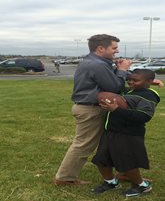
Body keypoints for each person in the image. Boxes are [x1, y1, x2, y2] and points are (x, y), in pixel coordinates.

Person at [54, 34, 132, 185]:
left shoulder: (97, 62)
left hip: (94, 108)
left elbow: (111, 79)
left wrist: (125, 72)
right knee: (83, 144)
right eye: (114, 48)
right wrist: (122, 70)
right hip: (91, 110)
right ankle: (65, 178)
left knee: (112, 142)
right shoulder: (97, 65)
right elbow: (114, 86)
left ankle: (124, 172)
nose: (117, 51)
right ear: (101, 48)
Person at [91, 69, 160, 197]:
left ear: (149, 81)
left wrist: (116, 110)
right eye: (130, 79)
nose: (131, 82)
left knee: (127, 162)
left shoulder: (149, 96)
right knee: (102, 159)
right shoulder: (128, 91)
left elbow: (144, 116)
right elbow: (114, 82)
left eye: (136, 80)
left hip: (128, 134)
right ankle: (111, 182)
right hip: (111, 131)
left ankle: (141, 186)